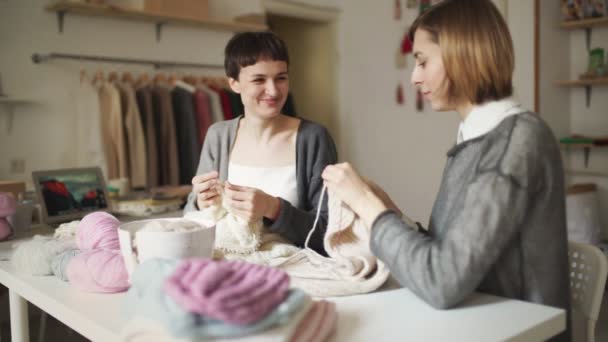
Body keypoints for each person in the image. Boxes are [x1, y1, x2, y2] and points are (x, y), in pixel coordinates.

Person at [321, 1, 571, 340]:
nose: (414, 77)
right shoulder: (475, 137)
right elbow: (449, 250)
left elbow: (442, 281)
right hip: (471, 322)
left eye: (423, 61)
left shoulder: (518, 141)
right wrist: (391, 213)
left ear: (462, 54)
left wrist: (368, 205)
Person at [184, 31, 337, 254]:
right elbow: (190, 220)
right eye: (259, 80)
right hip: (228, 269)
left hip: (293, 271)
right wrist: (199, 202)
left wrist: (272, 208)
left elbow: (329, 233)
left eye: (281, 78)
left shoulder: (313, 138)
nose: (273, 90)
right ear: (234, 83)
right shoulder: (218, 136)